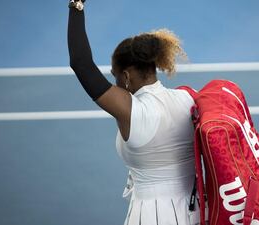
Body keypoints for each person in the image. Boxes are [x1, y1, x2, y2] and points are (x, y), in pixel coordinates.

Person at [67, 1, 201, 224]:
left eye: (115, 75)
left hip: (151, 216)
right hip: (195, 212)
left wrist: (76, 5)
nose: (115, 82)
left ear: (127, 77)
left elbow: (81, 64)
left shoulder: (134, 112)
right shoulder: (189, 98)